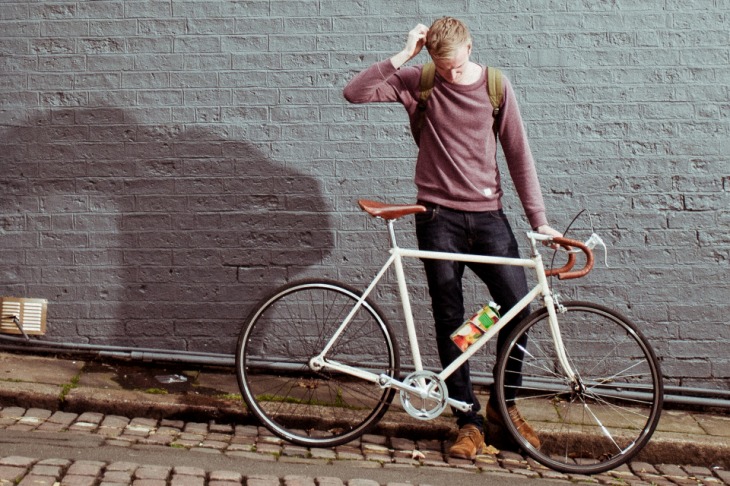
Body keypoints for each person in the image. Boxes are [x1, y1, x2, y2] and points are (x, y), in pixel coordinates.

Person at [343, 17, 562, 460]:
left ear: (469, 47)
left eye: (456, 66)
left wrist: (539, 219)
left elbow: (519, 154)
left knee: (517, 305)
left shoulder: (496, 86)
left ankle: (505, 406)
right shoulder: (418, 80)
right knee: (449, 316)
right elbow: (356, 92)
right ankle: (467, 420)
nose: (451, 75)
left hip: (488, 219)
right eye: (442, 68)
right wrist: (405, 53)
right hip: (437, 217)